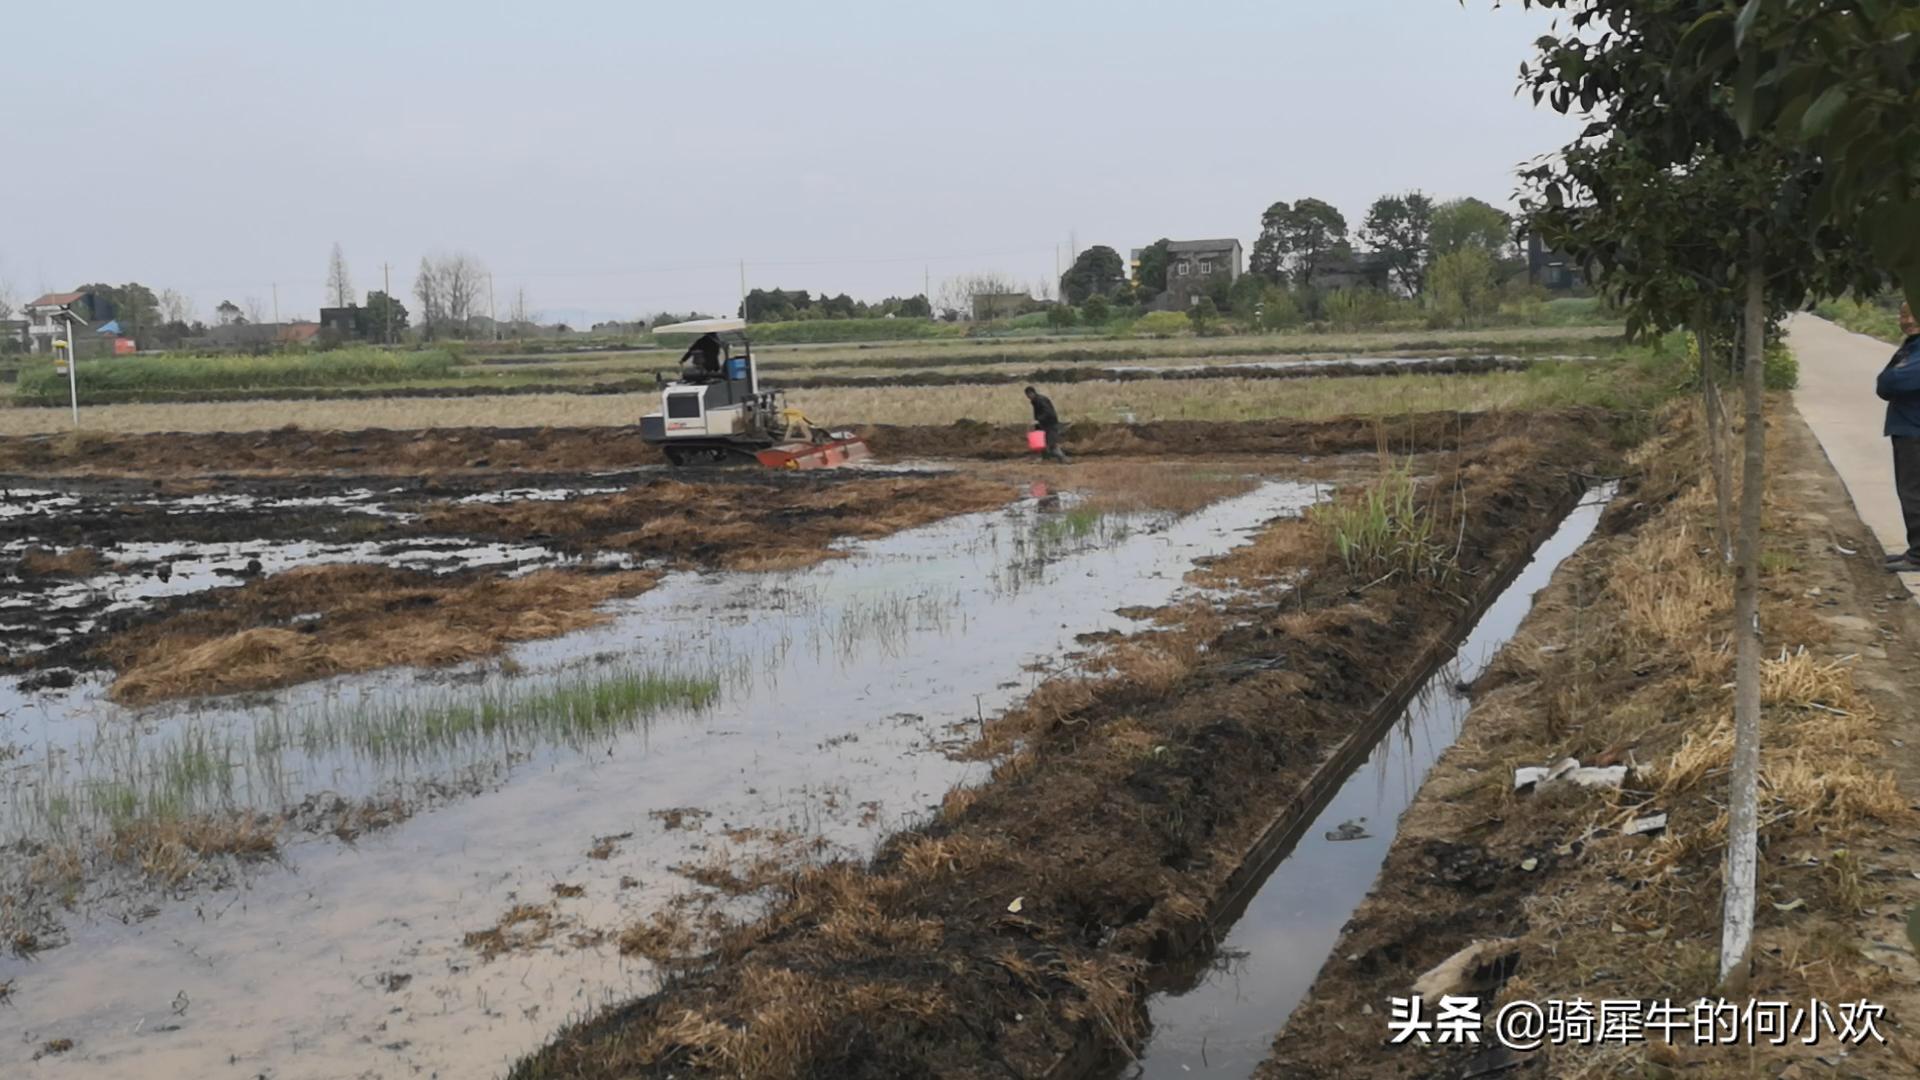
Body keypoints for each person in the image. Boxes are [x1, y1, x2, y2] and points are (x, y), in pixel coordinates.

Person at [1876, 302, 1920, 572]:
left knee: (1913, 492)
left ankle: (1918, 555)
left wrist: (1891, 376)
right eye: (1904, 315)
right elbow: (1884, 384)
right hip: (1907, 428)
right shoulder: (1911, 347)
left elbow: (1891, 382)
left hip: (1914, 431)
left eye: (1914, 314)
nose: (1908, 320)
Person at [1025, 385, 1068, 463]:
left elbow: (1048, 412)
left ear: (1032, 393)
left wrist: (1038, 420)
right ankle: (1045, 459)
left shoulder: (1041, 400)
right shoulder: (1036, 401)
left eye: (1028, 395)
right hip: (1043, 424)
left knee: (1052, 444)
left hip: (1050, 424)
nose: (1028, 397)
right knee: (1042, 443)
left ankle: (1064, 459)